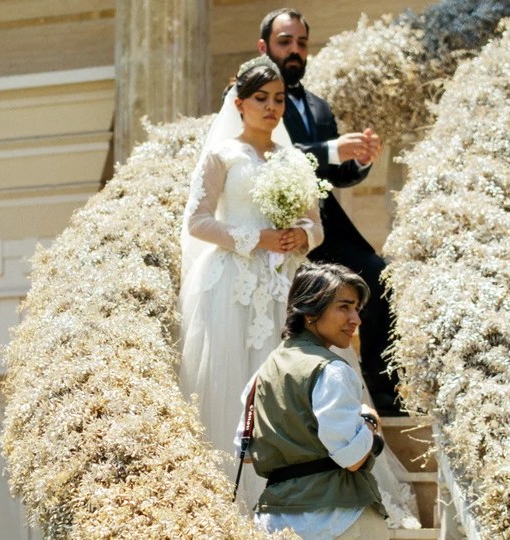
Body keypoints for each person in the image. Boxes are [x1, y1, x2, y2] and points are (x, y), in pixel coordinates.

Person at [178, 55, 323, 505]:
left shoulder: (295, 160)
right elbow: (197, 223)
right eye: (261, 98)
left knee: (289, 376)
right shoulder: (222, 154)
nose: (271, 107)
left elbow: (317, 227)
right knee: (233, 376)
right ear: (239, 103)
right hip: (231, 285)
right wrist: (254, 238)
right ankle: (230, 493)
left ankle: (297, 484)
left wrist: (300, 235)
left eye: (278, 99)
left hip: (284, 282)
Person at [257, 8, 402, 416]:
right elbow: (271, 153)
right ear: (264, 46)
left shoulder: (318, 107)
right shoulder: (251, 98)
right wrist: (332, 149)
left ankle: (384, 393)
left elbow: (336, 173)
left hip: (324, 226)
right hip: (271, 224)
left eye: (301, 43)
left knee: (379, 275)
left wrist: (359, 160)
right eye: (285, 42)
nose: (294, 51)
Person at [236, 263, 389, 539]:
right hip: (340, 519)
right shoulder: (332, 370)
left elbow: (244, 451)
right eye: (344, 307)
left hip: (275, 523)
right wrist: (369, 421)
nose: (356, 320)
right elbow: (352, 458)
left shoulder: (263, 373)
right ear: (310, 311)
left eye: (357, 309)